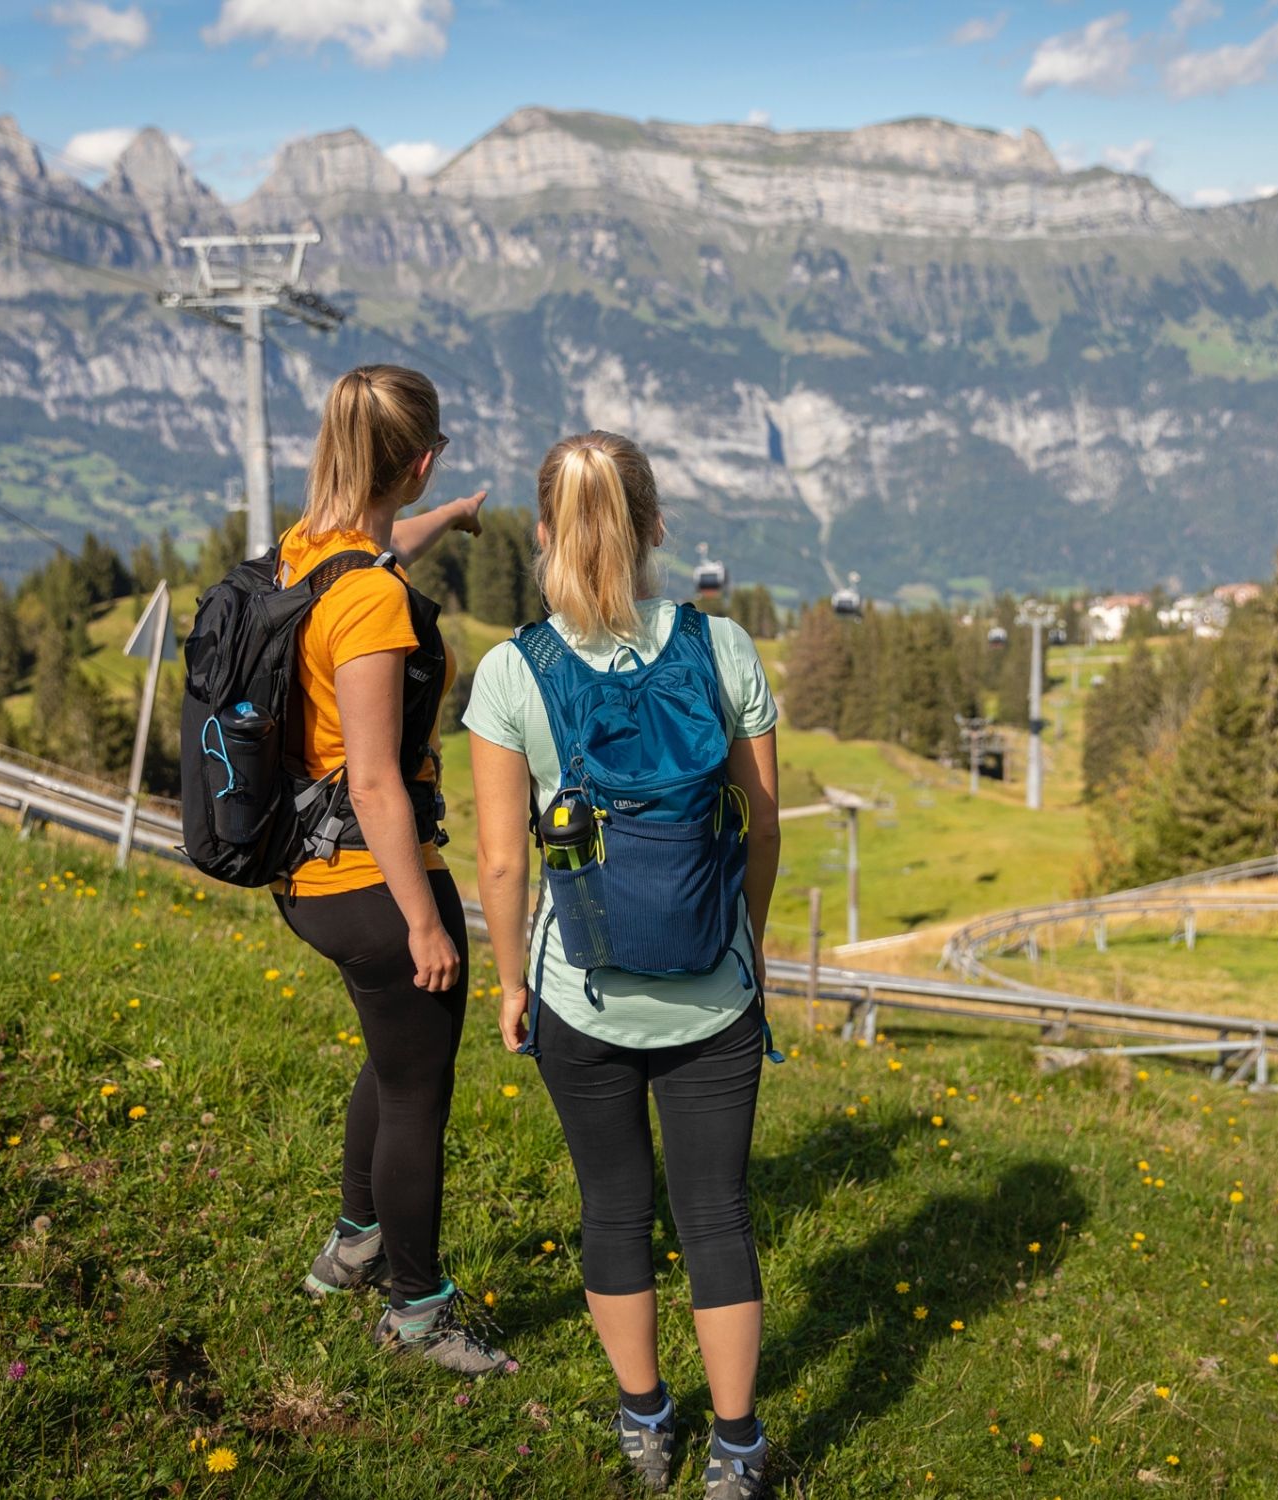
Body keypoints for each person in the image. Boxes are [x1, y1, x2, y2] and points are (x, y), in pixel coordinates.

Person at [465, 431, 783, 1496]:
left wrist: (511, 984)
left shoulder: (512, 670)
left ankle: (646, 1423)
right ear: (653, 528)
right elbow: (763, 824)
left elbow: (503, 862)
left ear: (543, 533)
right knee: (717, 1215)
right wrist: (743, 941)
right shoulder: (720, 644)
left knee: (613, 1207)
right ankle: (736, 1447)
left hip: (580, 997)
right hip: (715, 992)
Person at [272, 364, 514, 1376]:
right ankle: (416, 1312)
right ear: (414, 460)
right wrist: (423, 920)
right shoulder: (371, 604)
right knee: (419, 1090)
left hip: (305, 871)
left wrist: (439, 519)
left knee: (392, 1054)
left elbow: (367, 556)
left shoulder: (306, 551)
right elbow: (373, 782)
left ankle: (355, 1245)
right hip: (373, 879)